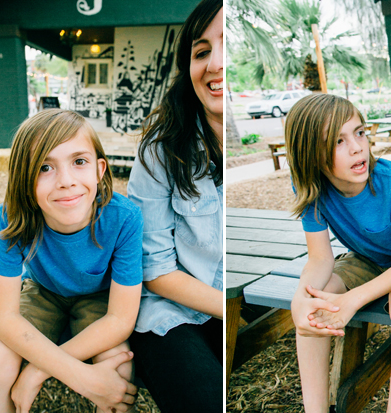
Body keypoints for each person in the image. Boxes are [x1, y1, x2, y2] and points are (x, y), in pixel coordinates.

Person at [0, 109, 142, 413]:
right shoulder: (14, 215)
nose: (66, 181)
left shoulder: (124, 219)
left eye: (79, 162)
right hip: (43, 292)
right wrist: (79, 376)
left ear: (99, 169)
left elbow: (120, 319)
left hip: (99, 299)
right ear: (23, 179)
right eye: (44, 167)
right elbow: (3, 318)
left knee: (118, 364)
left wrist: (37, 371)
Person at [285, 93, 391, 413]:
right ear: (310, 154)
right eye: (338, 140)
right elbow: (320, 258)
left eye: (360, 133)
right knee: (317, 299)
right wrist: (300, 299)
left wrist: (353, 299)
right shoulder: (312, 187)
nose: (356, 147)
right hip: (367, 259)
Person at [125, 0, 223, 410]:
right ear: (189, 70)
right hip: (170, 310)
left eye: (227, 45)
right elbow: (155, 268)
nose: (216, 63)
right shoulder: (161, 148)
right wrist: (226, 308)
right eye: (202, 52)